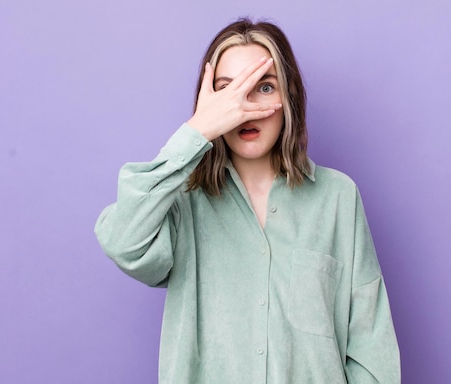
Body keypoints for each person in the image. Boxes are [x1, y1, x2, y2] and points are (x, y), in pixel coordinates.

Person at [95, 18, 400, 384]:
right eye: (229, 92)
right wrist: (197, 131)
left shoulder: (338, 197)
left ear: (289, 99)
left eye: (265, 87)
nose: (247, 106)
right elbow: (125, 243)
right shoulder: (181, 201)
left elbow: (371, 345)